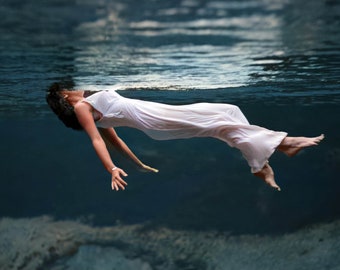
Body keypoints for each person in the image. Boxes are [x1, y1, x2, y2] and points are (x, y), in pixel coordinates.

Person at [46, 83, 324, 192]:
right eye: (70, 87)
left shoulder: (91, 103)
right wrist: (112, 168)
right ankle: (284, 145)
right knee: (219, 124)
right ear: (64, 95)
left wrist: (138, 164)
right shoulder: (83, 107)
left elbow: (117, 141)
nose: (77, 86)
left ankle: (261, 161)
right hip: (156, 120)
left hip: (158, 116)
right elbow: (98, 140)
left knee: (227, 111)